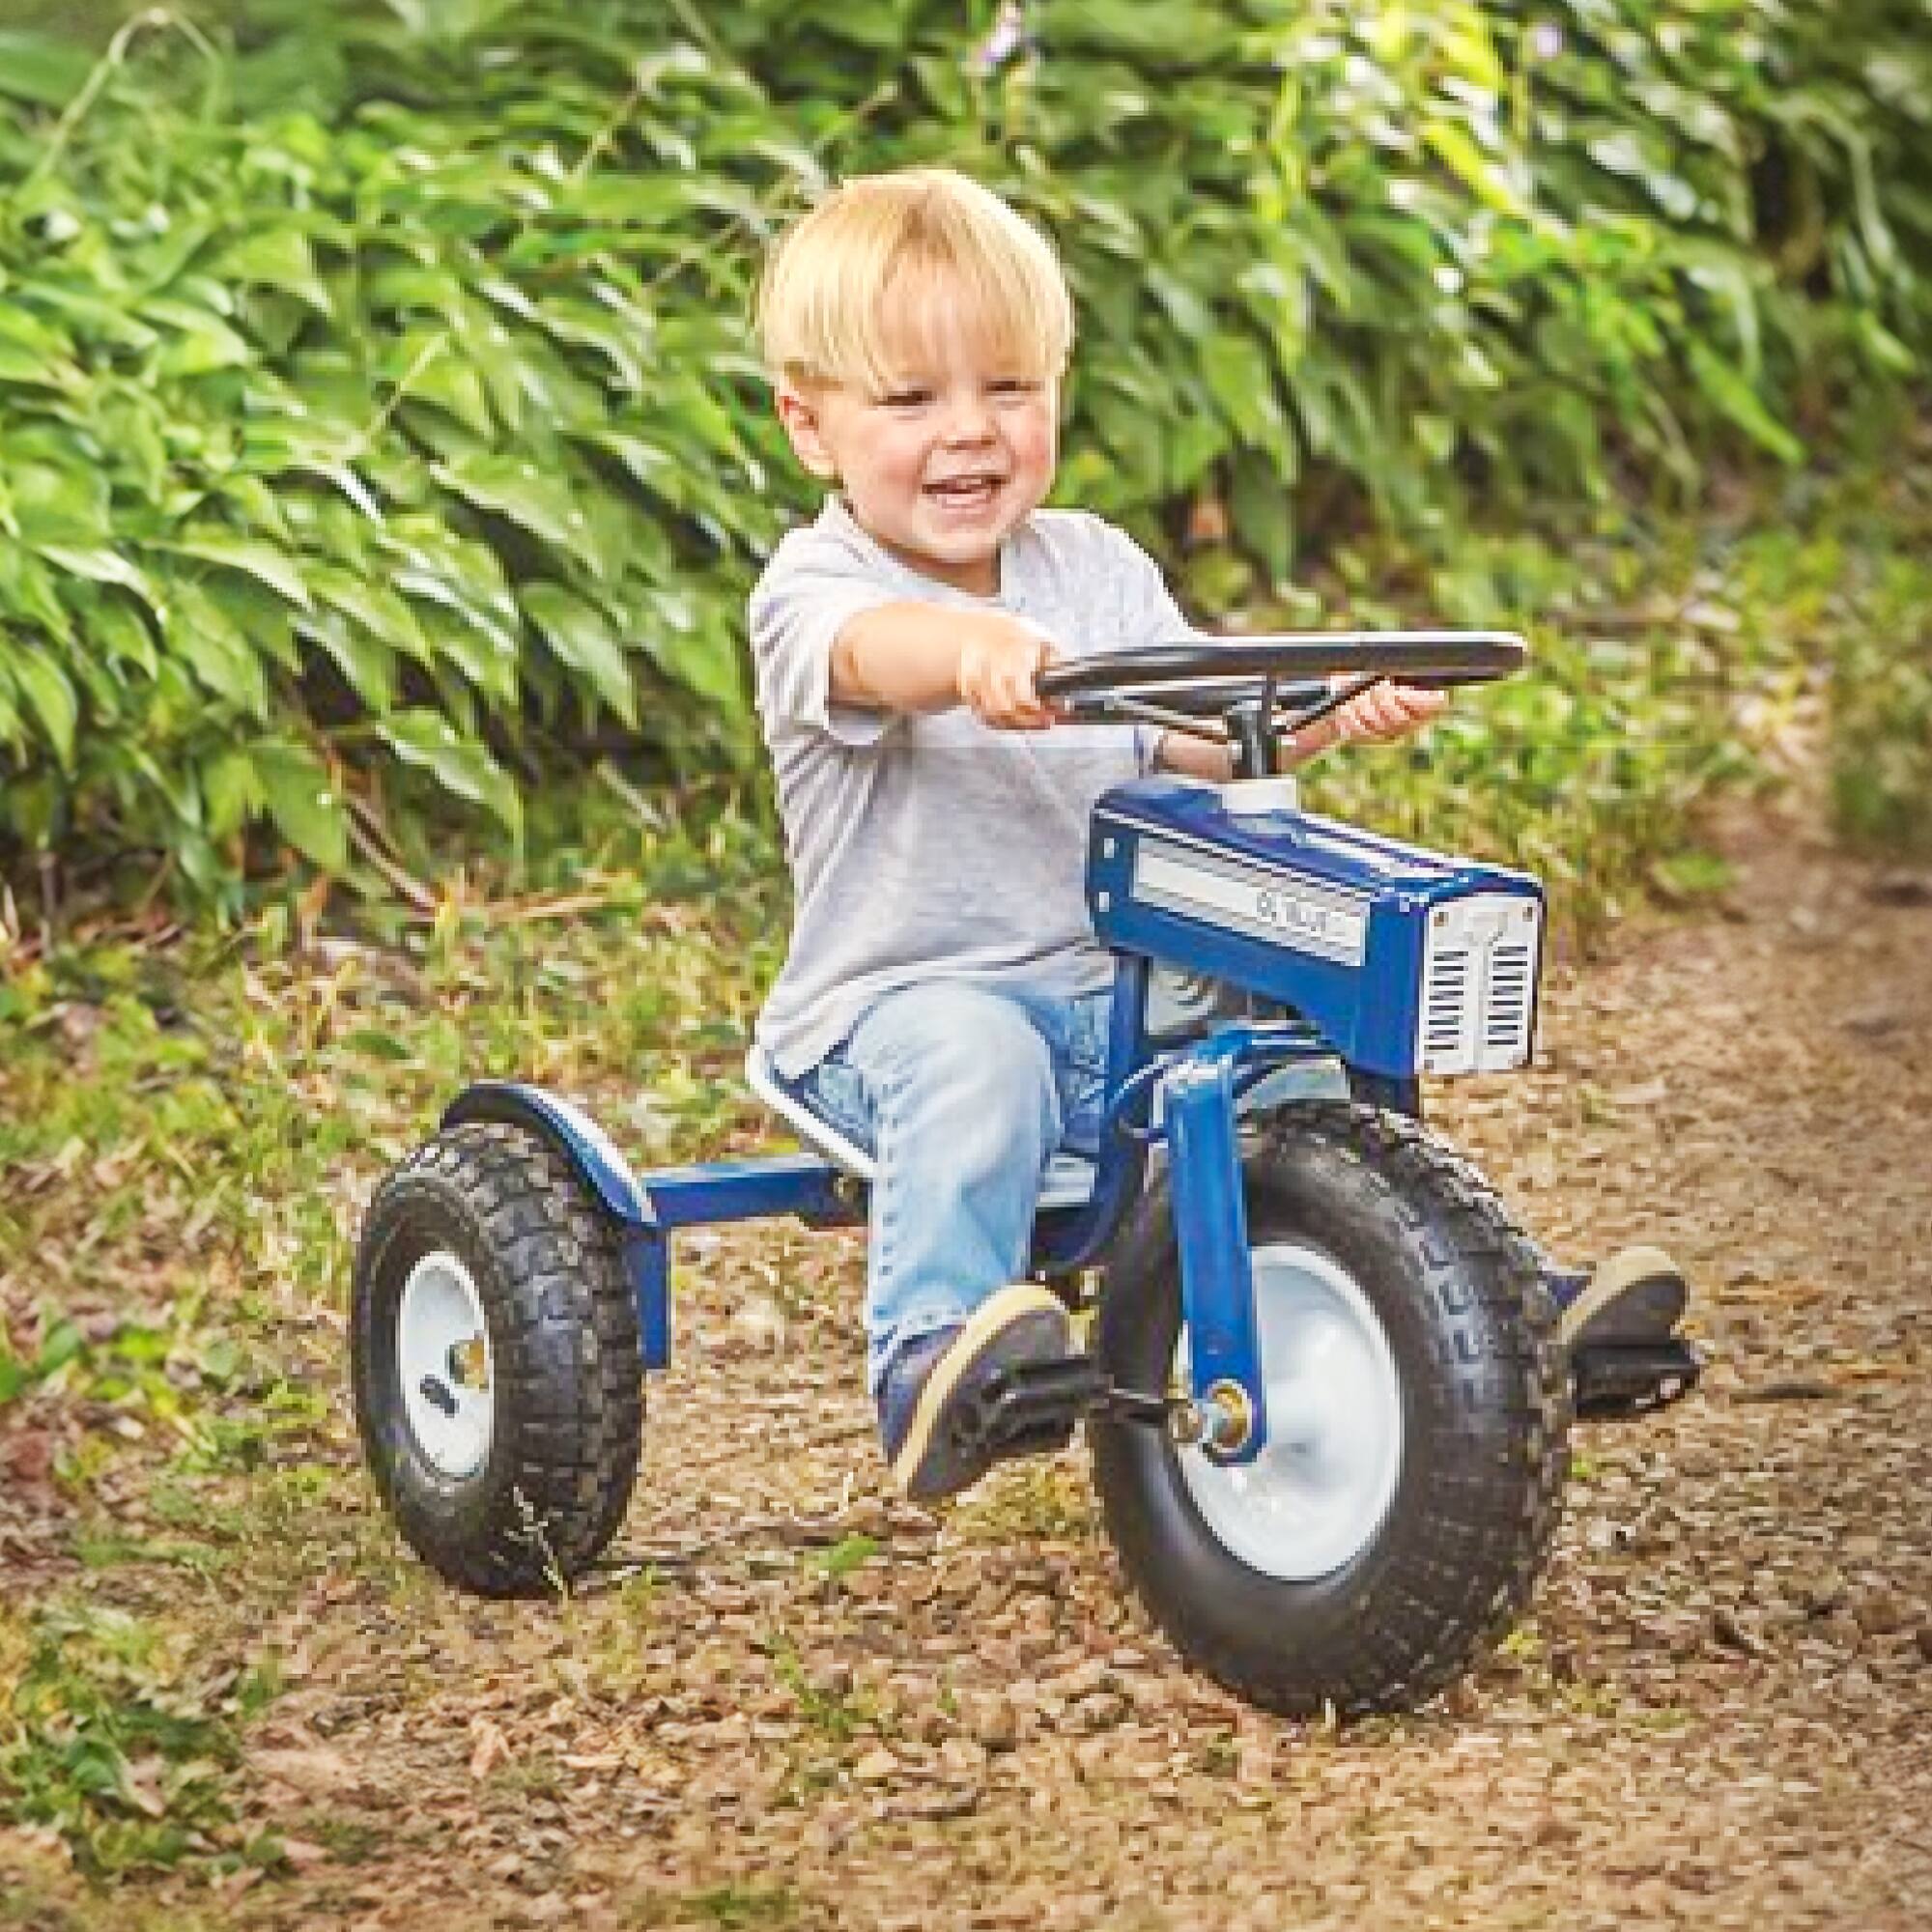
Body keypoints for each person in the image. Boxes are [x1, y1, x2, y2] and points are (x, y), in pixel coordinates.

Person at [748, 166, 1688, 1501]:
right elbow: (870, 654)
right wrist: (970, 656)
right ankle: (934, 1354)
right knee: (975, 1062)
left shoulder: (1092, 568)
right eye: (912, 400)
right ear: (810, 425)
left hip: (1120, 1008)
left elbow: (1198, 725)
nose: (971, 432)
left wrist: (1325, 710)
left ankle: (1484, 1301)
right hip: (898, 1009)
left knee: (1290, 1064)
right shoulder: (818, 585)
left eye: (1009, 388)